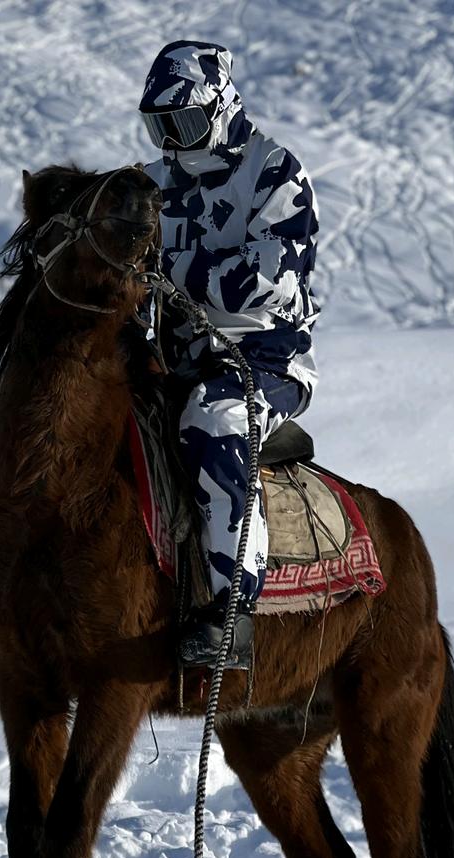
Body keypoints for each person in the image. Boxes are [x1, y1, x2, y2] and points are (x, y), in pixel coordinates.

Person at [138, 40, 320, 669]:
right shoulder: (152, 181)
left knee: (212, 420)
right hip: (172, 357)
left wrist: (171, 269)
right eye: (158, 125)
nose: (171, 139)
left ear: (218, 107)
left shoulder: (275, 172)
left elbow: (265, 283)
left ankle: (231, 611)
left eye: (182, 123)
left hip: (263, 362)